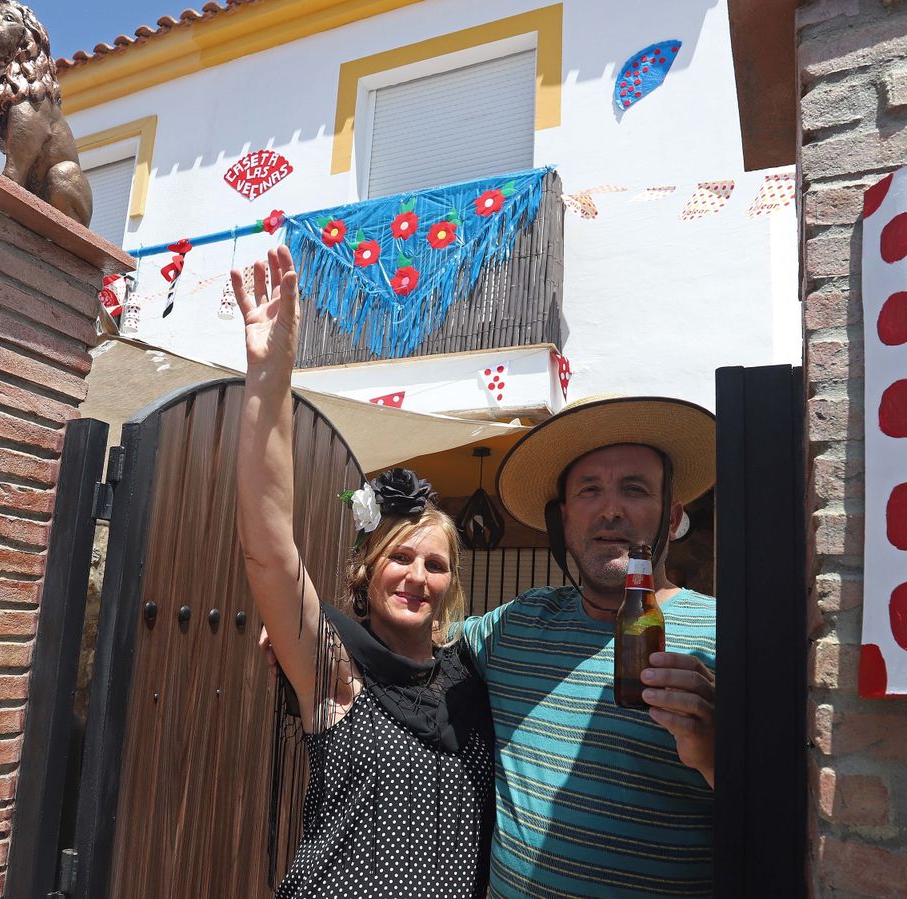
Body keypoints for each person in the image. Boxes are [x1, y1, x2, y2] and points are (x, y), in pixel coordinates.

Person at [233, 245, 495, 899]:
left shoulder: (472, 683)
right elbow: (268, 547)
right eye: (400, 556)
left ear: (449, 587)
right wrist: (271, 377)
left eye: (434, 564)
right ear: (367, 571)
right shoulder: (336, 667)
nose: (416, 574)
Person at [462, 396, 719, 897]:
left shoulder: (730, 636)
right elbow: (420, 644)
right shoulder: (515, 625)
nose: (611, 508)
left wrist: (717, 757)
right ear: (564, 519)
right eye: (590, 490)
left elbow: (795, 828)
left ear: (671, 517)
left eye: (635, 488)